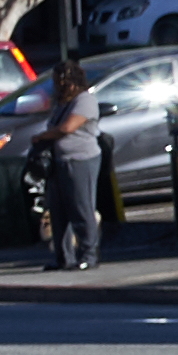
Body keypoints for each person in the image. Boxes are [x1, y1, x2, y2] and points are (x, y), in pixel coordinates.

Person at [45, 82, 111, 269]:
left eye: (65, 80)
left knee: (81, 207)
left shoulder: (85, 101)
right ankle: (64, 258)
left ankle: (89, 255)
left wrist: (43, 137)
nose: (60, 85)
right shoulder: (60, 104)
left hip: (81, 159)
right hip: (59, 161)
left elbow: (67, 128)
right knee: (58, 211)